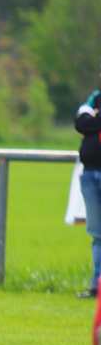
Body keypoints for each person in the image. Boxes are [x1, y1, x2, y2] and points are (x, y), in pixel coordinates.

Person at [76, 85, 101, 299]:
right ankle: (97, 286)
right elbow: (80, 123)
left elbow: (87, 123)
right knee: (97, 233)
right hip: (90, 174)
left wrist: (93, 120)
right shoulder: (95, 98)